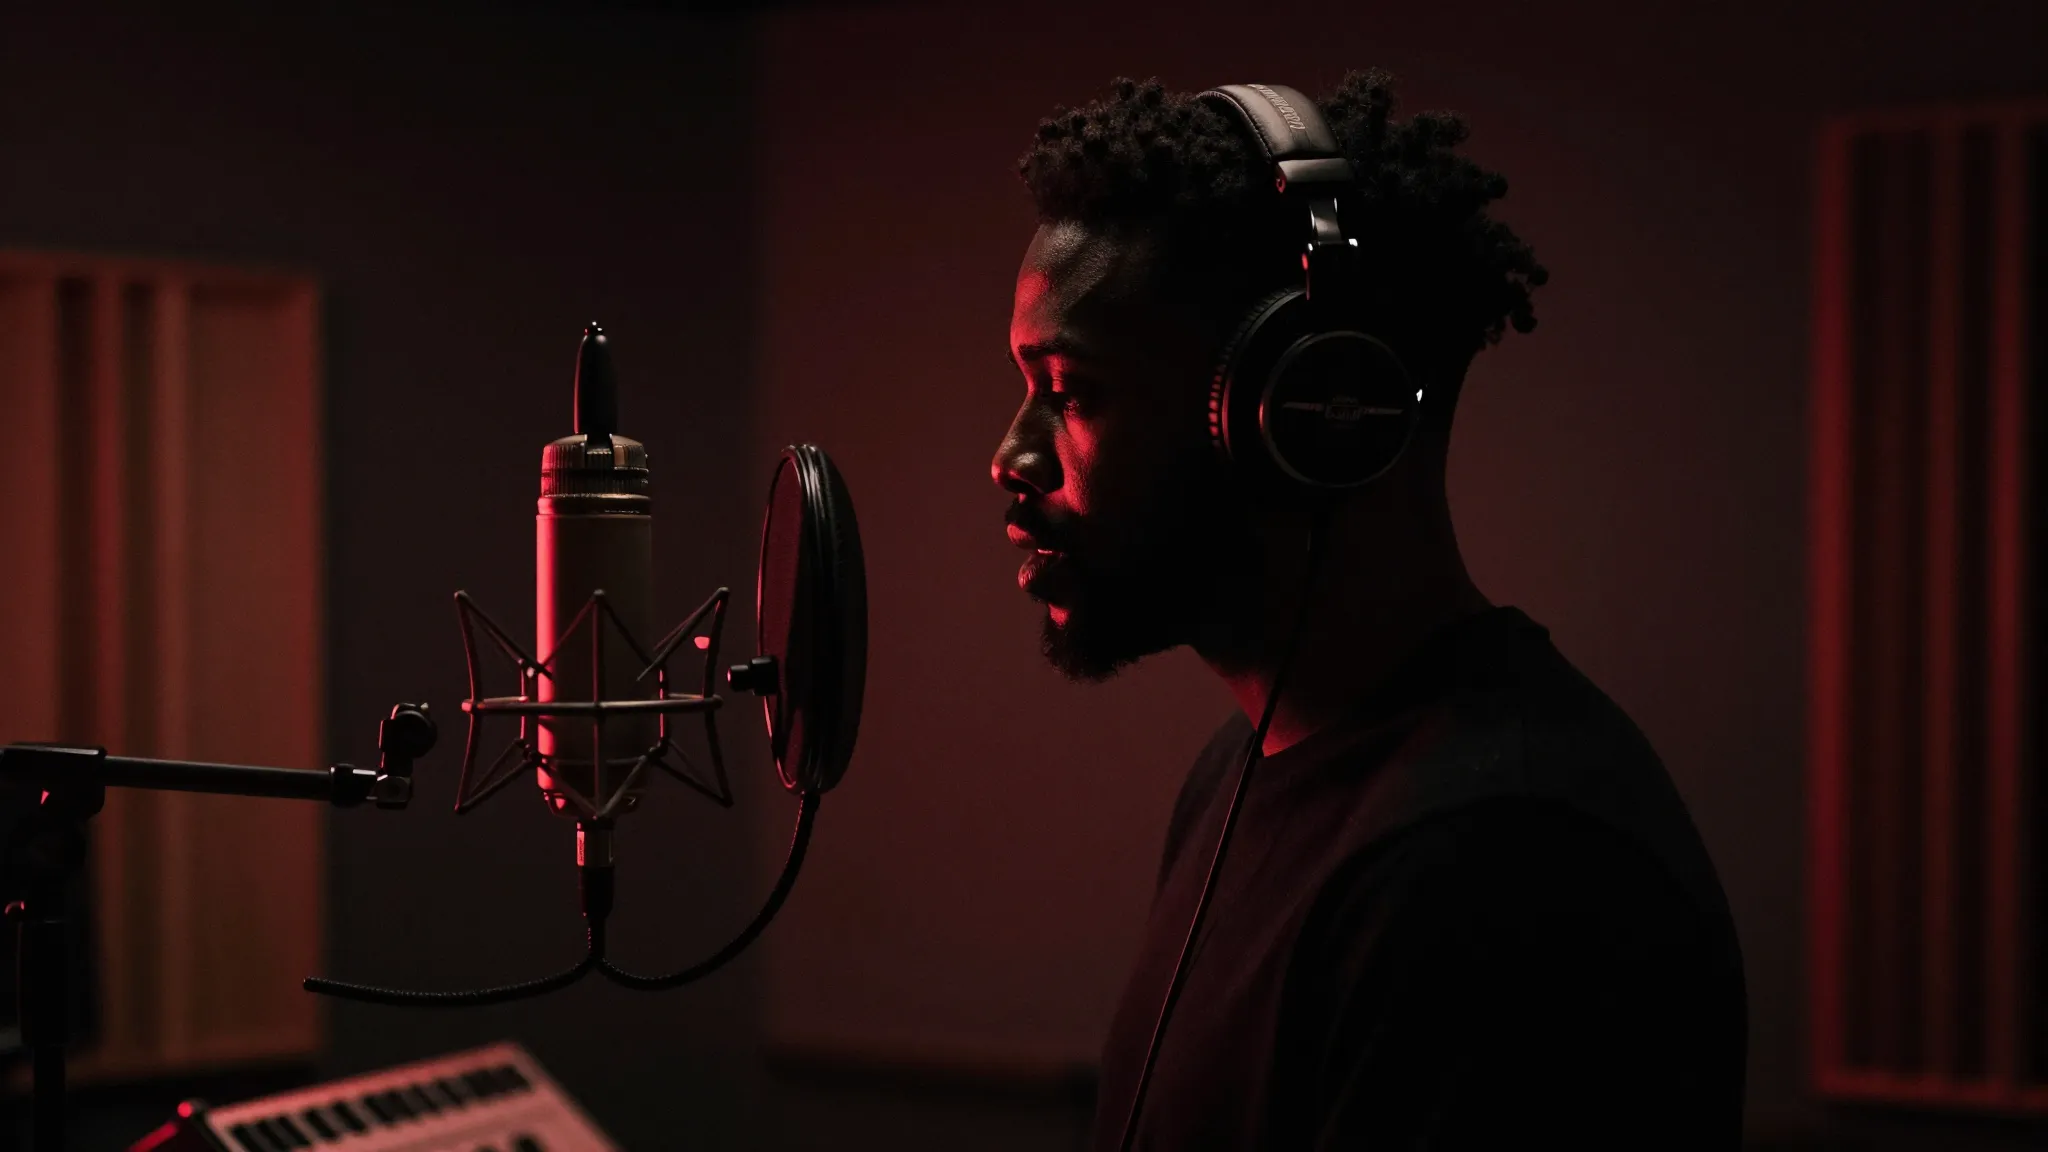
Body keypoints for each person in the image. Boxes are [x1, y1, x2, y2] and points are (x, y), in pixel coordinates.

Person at [991, 72, 1747, 1150]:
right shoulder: (1237, 773)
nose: (1010, 457)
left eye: (1070, 392)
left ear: (1303, 413)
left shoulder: (1503, 864)